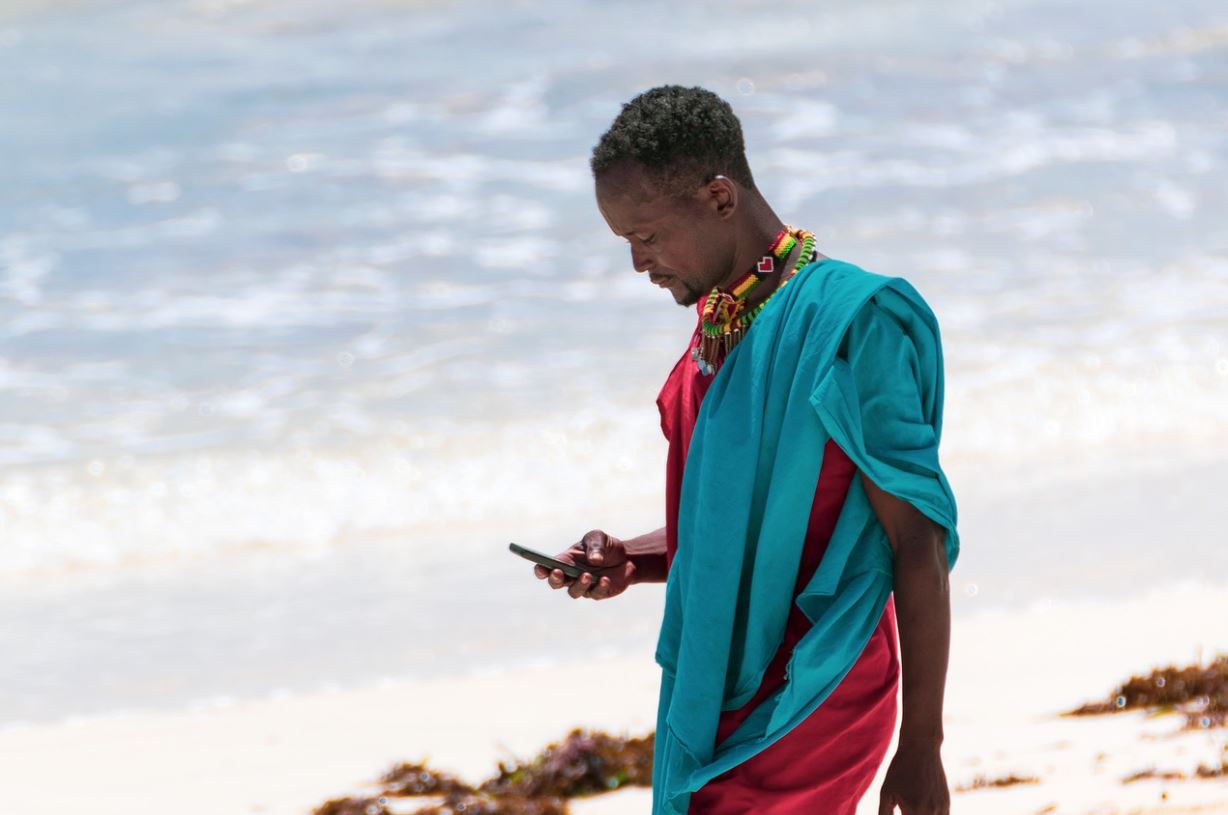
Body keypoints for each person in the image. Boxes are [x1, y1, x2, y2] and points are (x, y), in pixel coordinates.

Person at [531, 85, 958, 815]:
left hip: (815, 690)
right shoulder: (721, 320)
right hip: (710, 689)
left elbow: (916, 540)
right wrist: (633, 558)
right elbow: (740, 525)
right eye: (625, 241)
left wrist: (922, 744)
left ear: (720, 198)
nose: (637, 262)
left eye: (647, 235)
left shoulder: (854, 325)